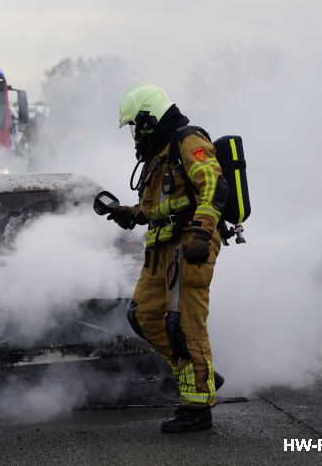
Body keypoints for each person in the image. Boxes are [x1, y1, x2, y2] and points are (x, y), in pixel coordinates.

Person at [108, 83, 228, 433]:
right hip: (161, 247)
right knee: (143, 317)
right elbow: (160, 204)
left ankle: (197, 408)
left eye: (135, 125)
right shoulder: (161, 151)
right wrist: (132, 213)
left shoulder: (187, 140)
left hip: (189, 246)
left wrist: (203, 231)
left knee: (185, 325)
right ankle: (199, 375)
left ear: (148, 119)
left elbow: (213, 185)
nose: (134, 134)